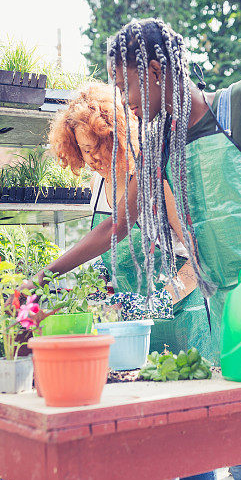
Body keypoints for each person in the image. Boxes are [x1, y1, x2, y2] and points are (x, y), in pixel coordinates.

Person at [30, 18, 241, 480]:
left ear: (157, 70)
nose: (125, 102)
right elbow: (116, 227)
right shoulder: (158, 146)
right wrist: (43, 275)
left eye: (128, 87)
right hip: (232, 313)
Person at [45, 82, 216, 360]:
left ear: (119, 137)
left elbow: (201, 260)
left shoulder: (156, 182)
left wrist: (163, 299)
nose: (93, 158)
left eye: (100, 146)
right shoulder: (97, 187)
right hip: (132, 330)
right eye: (85, 150)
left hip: (184, 318)